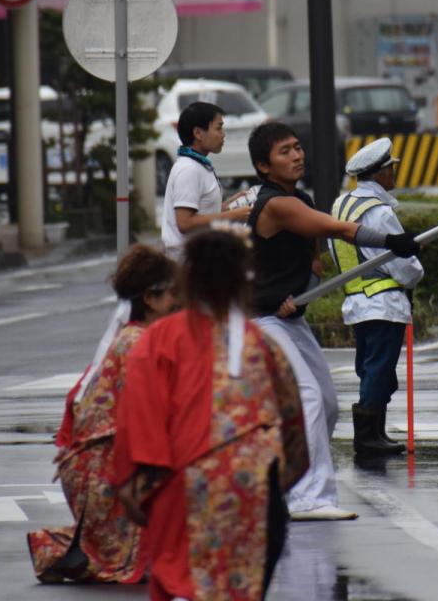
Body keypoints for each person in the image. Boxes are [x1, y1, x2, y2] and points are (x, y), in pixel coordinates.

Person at [110, 228, 309, 601]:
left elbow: (140, 425)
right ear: (245, 279)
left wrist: (136, 491)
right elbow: (293, 432)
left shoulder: (157, 341)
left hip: (181, 490)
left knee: (185, 585)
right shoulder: (262, 344)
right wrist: (269, 483)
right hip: (254, 493)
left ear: (188, 278)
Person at [246, 122, 421, 520]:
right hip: (261, 319)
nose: (296, 155)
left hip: (286, 316)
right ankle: (309, 499)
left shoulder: (301, 199)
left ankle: (291, 485)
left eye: (296, 148)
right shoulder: (276, 203)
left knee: (326, 402)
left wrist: (295, 293)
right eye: (284, 152)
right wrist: (390, 240)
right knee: (306, 396)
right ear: (263, 166)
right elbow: (339, 229)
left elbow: (315, 264)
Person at [27, 245, 179, 584]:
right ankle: (61, 549)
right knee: (145, 562)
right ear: (151, 299)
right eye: (174, 294)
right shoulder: (138, 344)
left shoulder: (143, 337)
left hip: (106, 467)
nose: (180, 302)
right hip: (106, 469)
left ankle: (77, 546)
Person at [330, 138, 424, 457]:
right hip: (384, 304)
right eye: (391, 168)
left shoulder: (341, 205)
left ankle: (375, 433)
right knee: (379, 371)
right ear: (380, 174)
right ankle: (368, 438)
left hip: (356, 303)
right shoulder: (379, 212)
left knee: (370, 370)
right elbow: (403, 266)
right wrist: (416, 272)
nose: (394, 173)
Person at [160, 101, 251, 261]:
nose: (223, 134)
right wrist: (235, 215)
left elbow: (200, 213)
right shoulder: (189, 169)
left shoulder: (198, 164)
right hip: (188, 264)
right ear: (198, 133)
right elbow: (185, 223)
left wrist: (225, 207)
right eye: (218, 128)